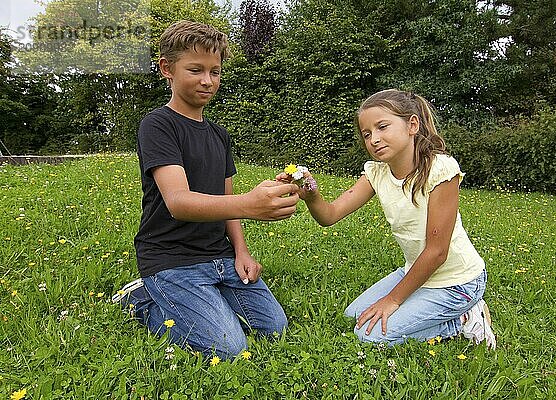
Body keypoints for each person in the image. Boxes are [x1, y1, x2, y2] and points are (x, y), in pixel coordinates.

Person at [112, 21, 300, 359]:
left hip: (221, 256)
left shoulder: (219, 135)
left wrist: (242, 252)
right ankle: (142, 299)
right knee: (227, 347)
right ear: (166, 69)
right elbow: (179, 202)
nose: (207, 81)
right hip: (170, 258)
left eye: (215, 72)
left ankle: (203, 299)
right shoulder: (158, 125)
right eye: (196, 69)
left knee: (274, 328)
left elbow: (228, 202)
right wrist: (250, 204)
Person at [277, 89, 496, 349]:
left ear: (412, 125)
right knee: (355, 317)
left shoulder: (441, 170)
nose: (374, 139)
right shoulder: (377, 173)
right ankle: (438, 312)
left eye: (382, 127)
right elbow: (330, 215)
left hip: (457, 281)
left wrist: (393, 300)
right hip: (416, 271)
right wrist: (311, 195)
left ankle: (464, 318)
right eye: (367, 134)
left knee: (370, 335)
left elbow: (437, 252)